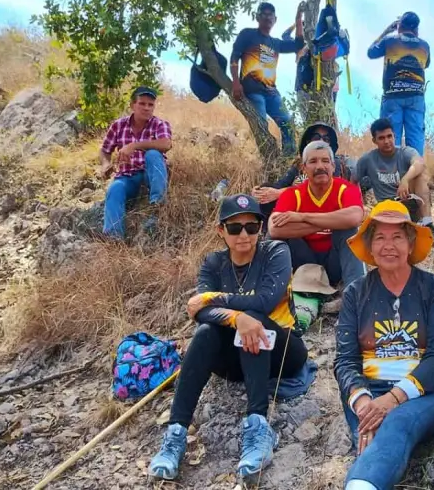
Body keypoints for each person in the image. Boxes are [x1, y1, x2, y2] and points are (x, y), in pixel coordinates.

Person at [149, 194, 308, 481]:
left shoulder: (276, 252)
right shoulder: (214, 262)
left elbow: (264, 301)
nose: (244, 235)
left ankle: (258, 426)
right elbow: (201, 314)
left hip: (284, 350)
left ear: (261, 228)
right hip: (236, 359)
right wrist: (235, 318)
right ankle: (176, 433)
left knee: (255, 319)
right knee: (207, 332)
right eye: (235, 228)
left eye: (252, 226)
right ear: (221, 231)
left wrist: (213, 298)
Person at [335, 200, 434, 490]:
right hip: (370, 389)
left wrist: (392, 399)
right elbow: (345, 361)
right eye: (379, 237)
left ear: (410, 242)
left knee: (396, 424)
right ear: (369, 245)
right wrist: (364, 401)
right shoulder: (355, 293)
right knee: (372, 439)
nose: (388, 245)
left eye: (397, 237)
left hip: (432, 389)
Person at [269, 141, 366, 289]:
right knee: (275, 240)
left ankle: (355, 294)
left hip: (336, 263)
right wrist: (333, 222)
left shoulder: (345, 189)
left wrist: (302, 217)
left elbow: (354, 218)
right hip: (304, 263)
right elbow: (274, 229)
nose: (320, 166)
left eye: (325, 161)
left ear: (333, 167)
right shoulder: (292, 193)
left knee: (349, 231)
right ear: (303, 168)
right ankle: (272, 291)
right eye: (313, 161)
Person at [356, 118, 434, 248]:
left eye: (389, 136)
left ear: (394, 136)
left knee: (418, 176)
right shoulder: (367, 159)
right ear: (374, 141)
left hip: (410, 203)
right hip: (387, 209)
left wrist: (405, 179)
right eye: (381, 138)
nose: (387, 141)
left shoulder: (405, 152)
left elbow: (419, 163)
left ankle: (428, 224)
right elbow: (352, 181)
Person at [230, 2, 304, 155]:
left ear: (275, 19)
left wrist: (298, 19)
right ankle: (269, 160)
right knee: (261, 126)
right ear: (257, 17)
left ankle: (288, 160)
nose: (267, 17)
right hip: (253, 90)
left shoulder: (276, 43)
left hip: (271, 92)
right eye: (264, 13)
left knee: (288, 123)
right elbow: (234, 57)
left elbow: (298, 45)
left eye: (271, 14)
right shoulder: (247, 34)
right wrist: (236, 83)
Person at [99, 86, 172, 238]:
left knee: (153, 154)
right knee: (115, 189)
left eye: (150, 105)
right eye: (142, 103)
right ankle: (114, 238)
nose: (146, 108)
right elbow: (105, 150)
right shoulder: (118, 125)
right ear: (132, 105)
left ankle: (157, 206)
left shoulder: (159, 124)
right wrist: (106, 164)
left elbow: (166, 144)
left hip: (150, 175)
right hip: (127, 176)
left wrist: (134, 146)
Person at [252, 122, 353, 226]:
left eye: (326, 139)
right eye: (316, 137)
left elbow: (325, 188)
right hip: (296, 208)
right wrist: (260, 191)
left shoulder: (333, 164)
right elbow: (281, 184)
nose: (321, 141)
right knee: (266, 189)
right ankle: (265, 231)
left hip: (322, 209)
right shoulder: (299, 164)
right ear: (308, 142)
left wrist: (280, 193)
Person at [368, 12, 430, 156]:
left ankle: (390, 174)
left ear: (399, 25)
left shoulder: (389, 40)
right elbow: (425, 64)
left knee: (389, 139)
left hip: (392, 95)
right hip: (416, 97)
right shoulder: (424, 45)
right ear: (416, 29)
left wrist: (387, 31)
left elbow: (371, 52)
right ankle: (415, 175)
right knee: (415, 142)